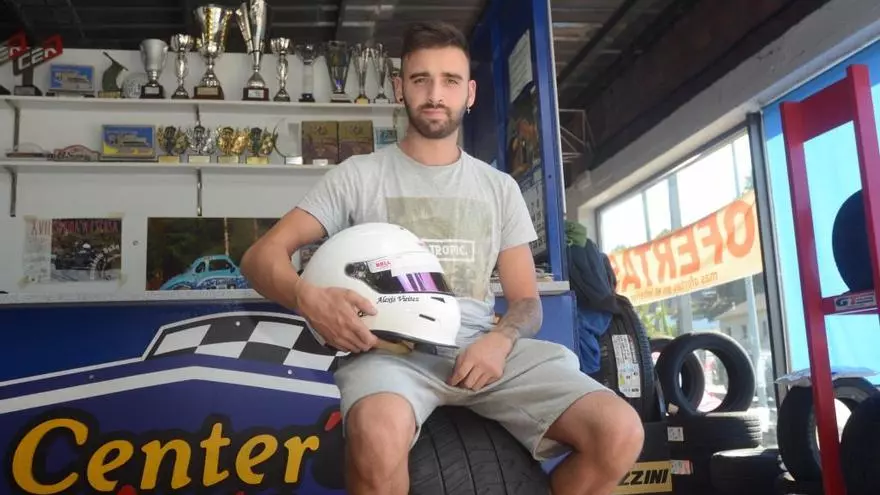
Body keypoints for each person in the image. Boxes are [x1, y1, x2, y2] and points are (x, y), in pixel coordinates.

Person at [240, 20, 644, 495]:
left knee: (620, 433)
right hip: (390, 354)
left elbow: (526, 302)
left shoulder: (499, 188)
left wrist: (501, 339)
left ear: (469, 93)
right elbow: (260, 257)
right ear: (400, 88)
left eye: (450, 80)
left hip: (483, 349)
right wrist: (308, 297)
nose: (435, 94)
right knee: (375, 439)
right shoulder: (357, 176)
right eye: (421, 79)